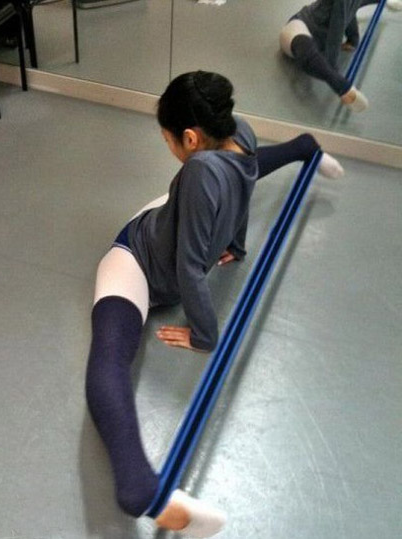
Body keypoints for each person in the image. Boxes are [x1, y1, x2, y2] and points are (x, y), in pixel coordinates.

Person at [85, 70, 344, 537]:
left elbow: (188, 269)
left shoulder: (199, 171)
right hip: (145, 241)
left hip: (143, 256)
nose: (168, 146)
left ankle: (137, 487)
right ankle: (302, 147)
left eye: (168, 139)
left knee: (108, 356)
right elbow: (244, 183)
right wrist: (234, 243)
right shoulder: (239, 132)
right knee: (245, 169)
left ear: (189, 138)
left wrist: (205, 334)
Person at [279, 0, 402, 112]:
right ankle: (342, 87)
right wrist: (332, 66)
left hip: (315, 39)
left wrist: (353, 39)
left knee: (306, 50)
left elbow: (350, 10)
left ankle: (339, 83)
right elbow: (338, 25)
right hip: (301, 27)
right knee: (302, 46)